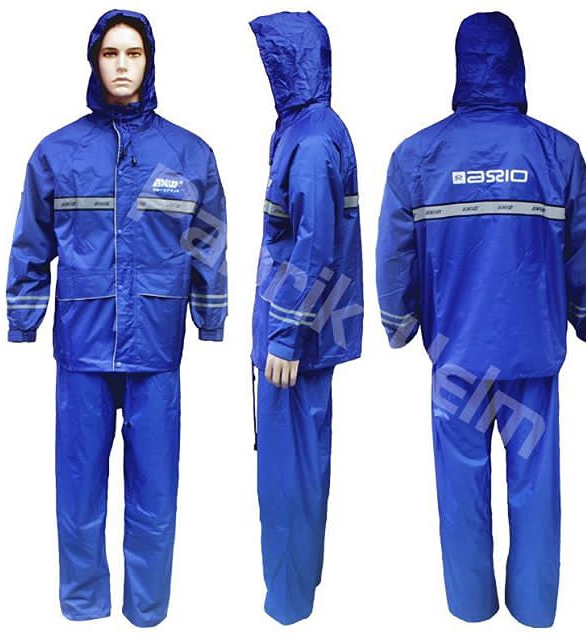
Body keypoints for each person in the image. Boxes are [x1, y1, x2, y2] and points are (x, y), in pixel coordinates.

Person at [375, 11, 586, 628]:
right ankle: (533, 611)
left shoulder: (417, 156)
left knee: (461, 491)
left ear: (460, 65)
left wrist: (399, 325)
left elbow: (394, 256)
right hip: (532, 353)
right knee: (536, 490)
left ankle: (470, 609)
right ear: (516, 63)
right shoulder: (557, 152)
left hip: (455, 356)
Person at [6, 9, 227, 627]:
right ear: (94, 61)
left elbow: (209, 243)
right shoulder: (57, 152)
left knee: (155, 493)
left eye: (134, 53)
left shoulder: (189, 153)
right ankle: (83, 608)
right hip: (82, 346)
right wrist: (24, 316)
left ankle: (146, 612)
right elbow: (31, 242)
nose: (122, 65)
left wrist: (210, 316)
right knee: (79, 491)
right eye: (111, 54)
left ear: (149, 62)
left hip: (156, 346)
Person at [249, 11, 363, 625]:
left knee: (286, 475)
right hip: (300, 333)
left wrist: (285, 335)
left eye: (271, 59)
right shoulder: (305, 128)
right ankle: (300, 590)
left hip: (293, 342)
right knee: (302, 466)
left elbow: (313, 244)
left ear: (289, 63)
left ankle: (288, 606)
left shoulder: (313, 140)